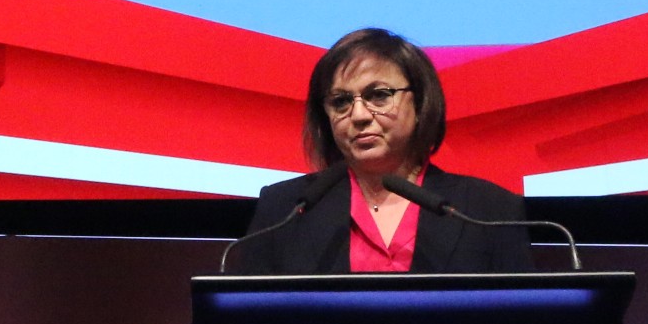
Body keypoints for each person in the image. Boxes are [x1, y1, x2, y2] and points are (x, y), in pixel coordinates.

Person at [225, 27, 533, 274]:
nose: (359, 115)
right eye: (341, 102)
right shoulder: (284, 209)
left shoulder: (489, 211)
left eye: (379, 95)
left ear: (420, 103)